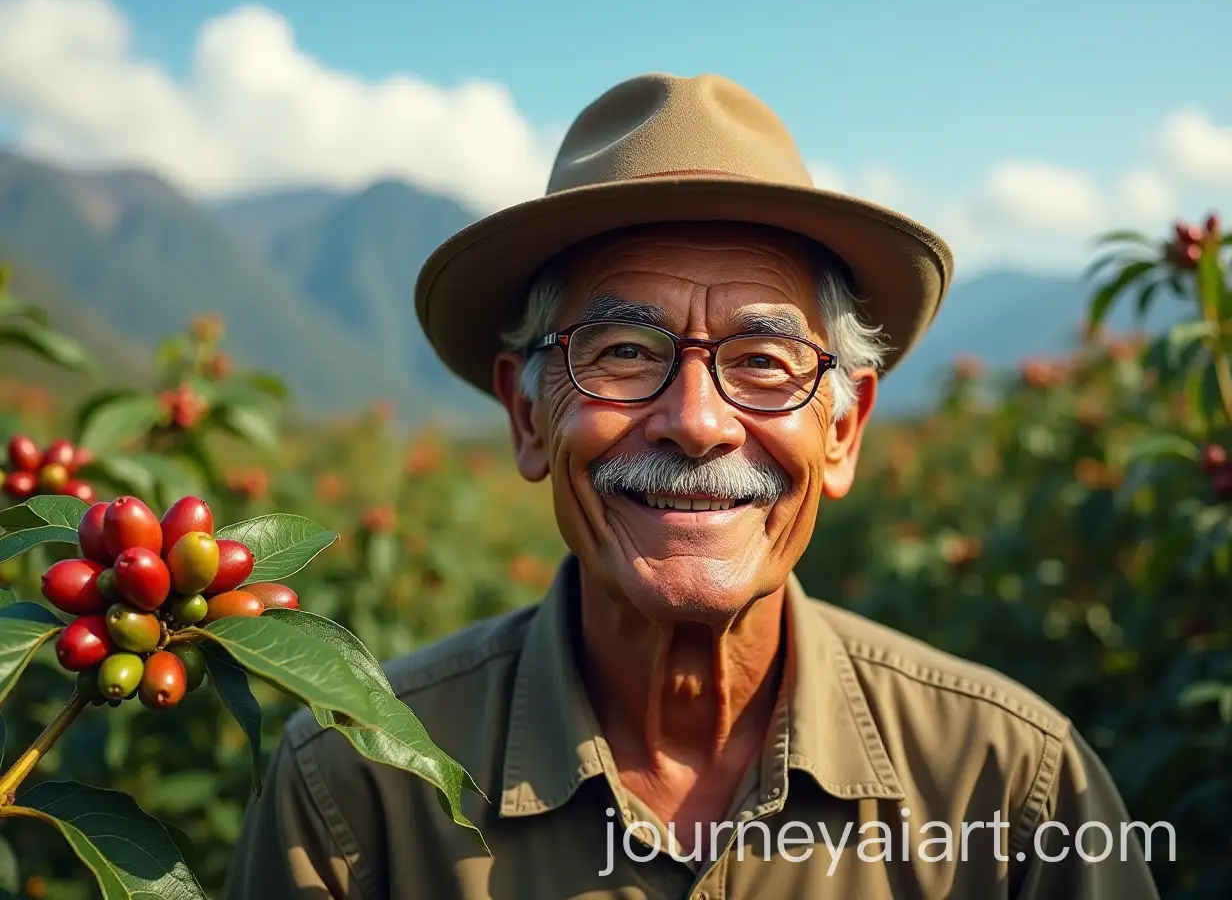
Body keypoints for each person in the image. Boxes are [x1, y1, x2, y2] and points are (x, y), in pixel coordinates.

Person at [225, 72, 1161, 899]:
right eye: (626, 353)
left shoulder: (1015, 787)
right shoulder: (358, 788)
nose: (700, 422)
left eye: (763, 360)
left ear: (841, 430)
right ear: (527, 418)